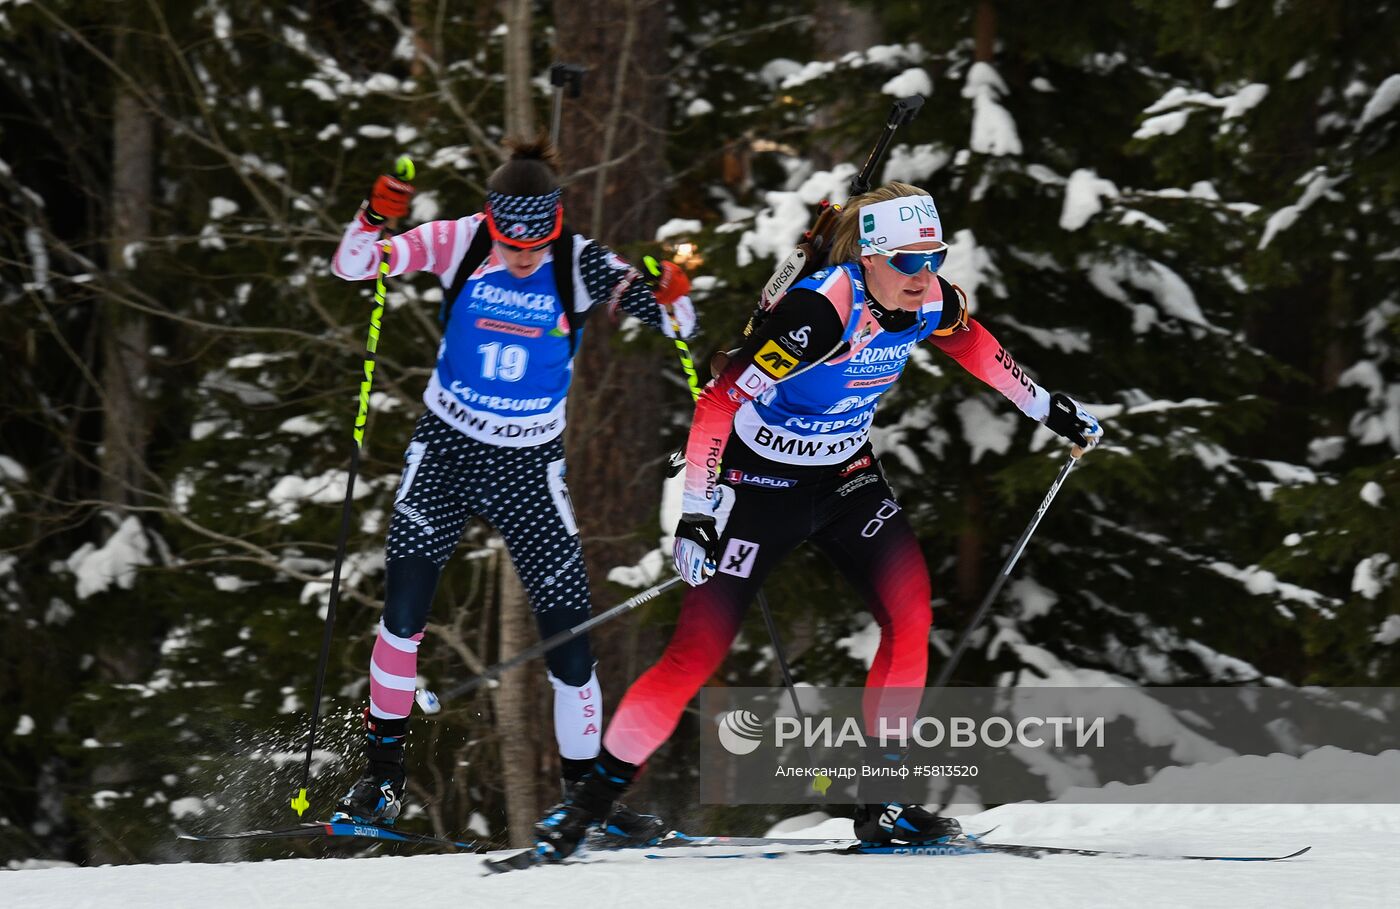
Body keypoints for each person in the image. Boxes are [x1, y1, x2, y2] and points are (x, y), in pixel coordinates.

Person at [527, 182, 1102, 859]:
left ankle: (881, 797)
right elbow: (718, 402)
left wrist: (1047, 408)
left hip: (844, 478)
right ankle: (589, 806)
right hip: (757, 483)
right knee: (697, 651)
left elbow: (975, 345)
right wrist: (698, 513)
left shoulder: (927, 300)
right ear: (869, 258)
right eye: (909, 261)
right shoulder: (820, 312)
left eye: (935, 256)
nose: (926, 276)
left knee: (910, 612)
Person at [328, 138, 696, 840]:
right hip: (446, 451)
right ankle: (378, 780)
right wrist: (373, 220)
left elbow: (678, 324)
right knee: (402, 613)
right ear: (492, 224)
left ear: (555, 226)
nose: (524, 255)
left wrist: (671, 294)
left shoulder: (578, 260)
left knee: (571, 640)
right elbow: (354, 267)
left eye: (537, 243)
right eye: (511, 242)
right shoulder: (459, 241)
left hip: (529, 467)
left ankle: (589, 800)